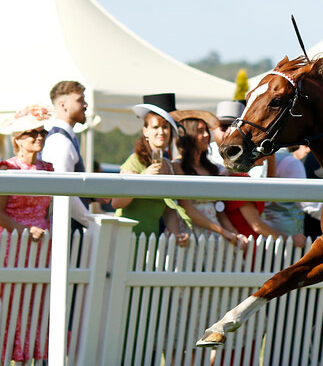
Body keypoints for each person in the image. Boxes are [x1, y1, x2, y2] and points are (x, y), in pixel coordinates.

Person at [0, 104, 54, 364]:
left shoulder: (49, 169)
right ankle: (9, 355)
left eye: (42, 132)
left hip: (43, 242)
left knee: (37, 300)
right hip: (11, 241)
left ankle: (35, 358)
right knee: (11, 302)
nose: (38, 137)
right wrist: (23, 229)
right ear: (17, 140)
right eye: (32, 133)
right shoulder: (6, 167)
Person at [110, 94, 189, 245]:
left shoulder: (168, 165)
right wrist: (142, 177)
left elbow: (168, 208)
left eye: (165, 127)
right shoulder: (135, 160)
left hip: (150, 240)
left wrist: (176, 233)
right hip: (125, 238)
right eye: (155, 127)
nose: (161, 132)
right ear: (145, 131)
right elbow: (116, 203)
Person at [170, 109, 247, 247]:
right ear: (188, 135)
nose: (206, 135)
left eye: (206, 130)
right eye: (200, 131)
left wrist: (233, 232)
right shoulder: (178, 166)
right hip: (191, 232)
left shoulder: (212, 168)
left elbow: (218, 208)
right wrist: (222, 231)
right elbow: (188, 208)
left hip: (215, 233)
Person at [40, 80, 102, 233]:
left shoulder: (66, 138)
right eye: (80, 100)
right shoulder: (60, 141)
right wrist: (91, 222)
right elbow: (62, 190)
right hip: (66, 229)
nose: (85, 105)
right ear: (63, 105)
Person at [264, 145, 311, 248]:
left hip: (263, 235)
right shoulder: (292, 162)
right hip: (289, 237)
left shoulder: (263, 160)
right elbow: (307, 203)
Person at [207, 100, 245, 170]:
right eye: (224, 126)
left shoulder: (251, 156)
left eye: (235, 127)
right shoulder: (204, 153)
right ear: (213, 128)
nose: (229, 131)